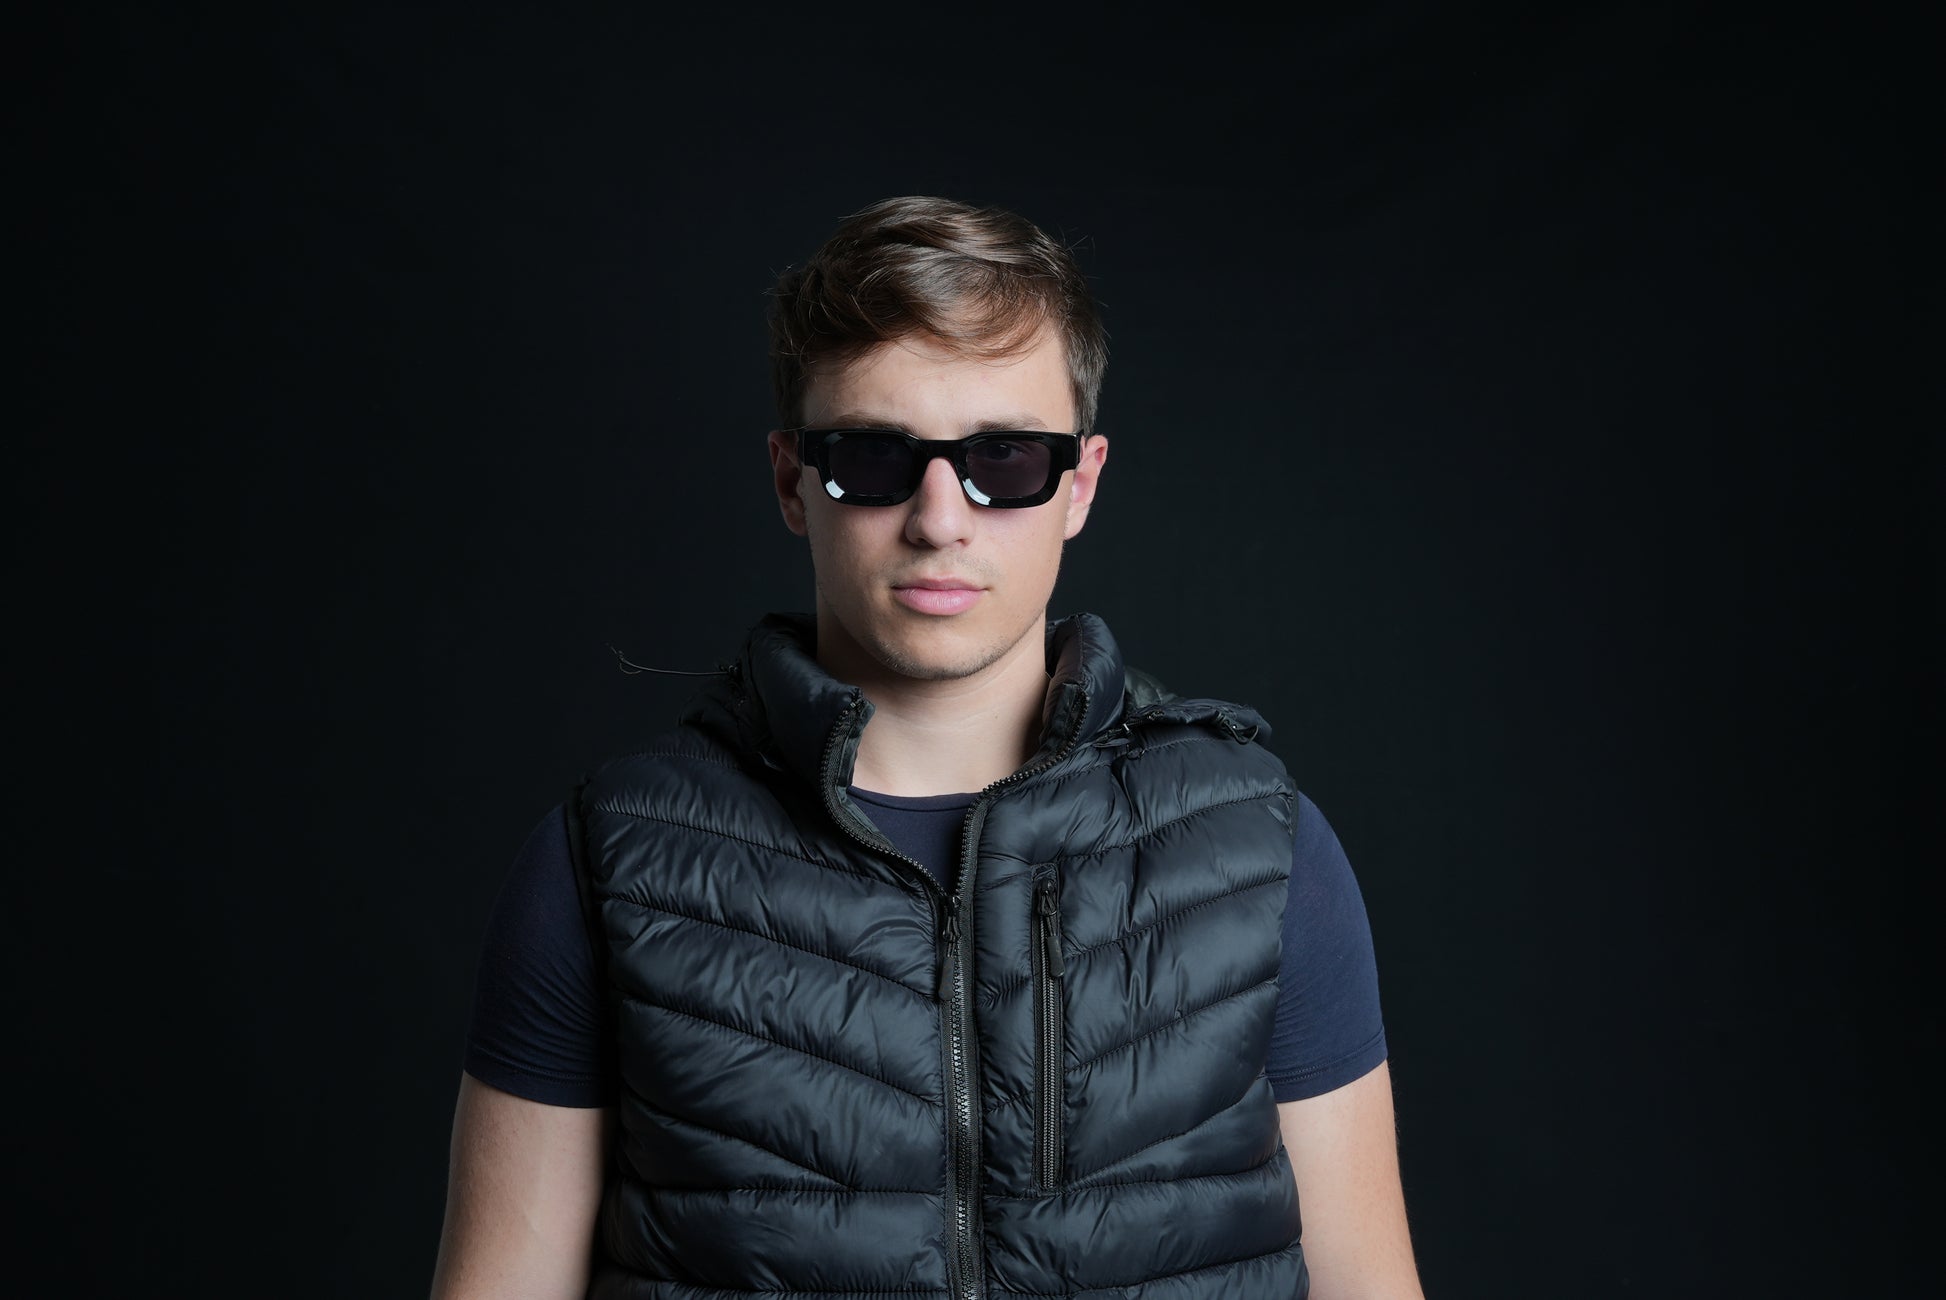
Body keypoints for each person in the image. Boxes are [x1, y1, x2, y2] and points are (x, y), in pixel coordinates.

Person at [430, 196, 1425, 1299]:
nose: (940, 519)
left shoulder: (1259, 851)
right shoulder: (606, 864)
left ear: (1080, 483)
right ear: (790, 481)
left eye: (1005, 458)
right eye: (872, 457)